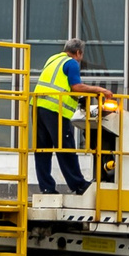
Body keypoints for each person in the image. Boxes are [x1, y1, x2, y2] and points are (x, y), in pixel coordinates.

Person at [31, 39, 98, 197]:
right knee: (65, 147)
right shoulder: (72, 63)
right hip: (55, 109)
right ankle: (78, 184)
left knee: (42, 149)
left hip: (37, 106)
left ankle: (46, 188)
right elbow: (76, 86)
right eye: (81, 55)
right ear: (78, 53)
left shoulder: (52, 59)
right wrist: (98, 90)